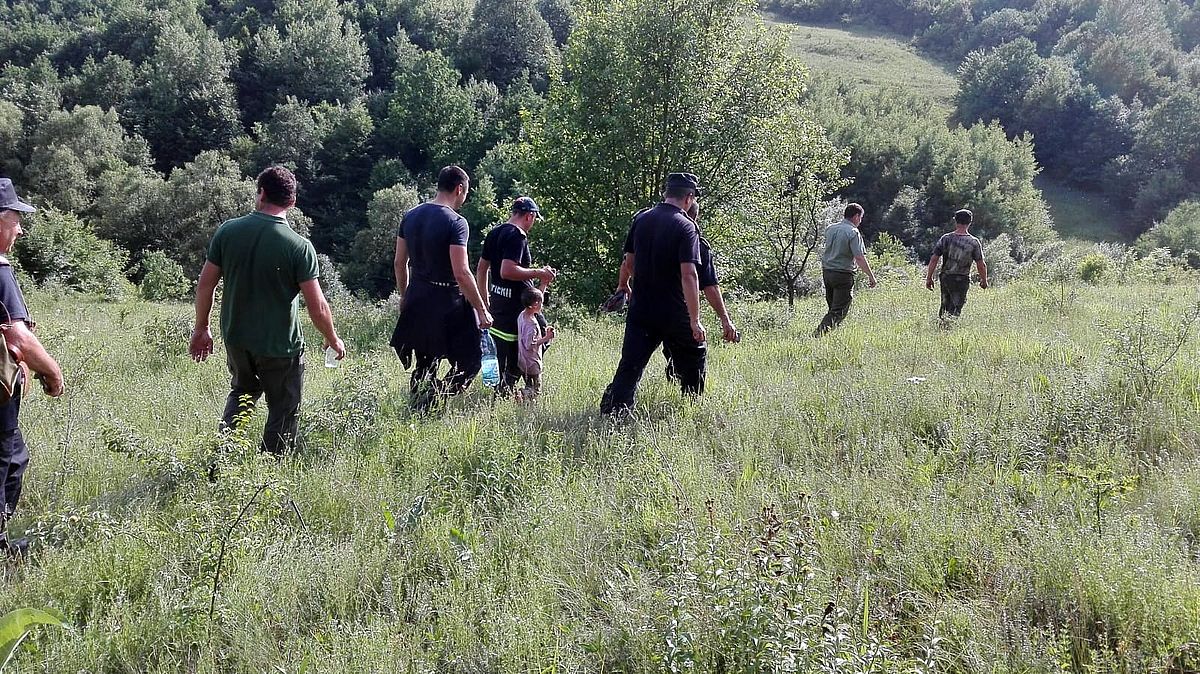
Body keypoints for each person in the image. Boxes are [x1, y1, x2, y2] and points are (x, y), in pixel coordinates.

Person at [190, 166, 345, 456]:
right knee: (283, 409)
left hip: (236, 338)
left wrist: (202, 328)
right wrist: (332, 338)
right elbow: (317, 306)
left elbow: (205, 285)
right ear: (292, 202)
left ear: (261, 193)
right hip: (280, 347)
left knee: (242, 393)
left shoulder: (228, 231)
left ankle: (221, 460)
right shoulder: (299, 246)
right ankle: (268, 471)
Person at [600, 172, 706, 415]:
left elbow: (628, 261)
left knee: (631, 364)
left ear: (666, 193)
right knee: (694, 354)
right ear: (688, 198)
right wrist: (695, 320)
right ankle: (692, 408)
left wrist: (630, 284)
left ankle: (615, 413)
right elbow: (689, 275)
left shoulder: (641, 218)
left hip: (641, 308)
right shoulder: (686, 226)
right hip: (673, 310)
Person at [390, 166, 493, 411]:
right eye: (466, 192)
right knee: (472, 359)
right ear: (459, 189)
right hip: (447, 300)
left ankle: (418, 408)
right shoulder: (456, 222)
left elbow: (399, 263)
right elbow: (461, 272)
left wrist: (404, 295)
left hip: (417, 296)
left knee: (426, 360)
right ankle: (434, 399)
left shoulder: (410, 216)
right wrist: (481, 310)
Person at [0, 178, 64, 557]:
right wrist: (52, 372)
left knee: (14, 457)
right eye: (16, 220)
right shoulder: (0, 271)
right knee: (5, 462)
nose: (20, 230)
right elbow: (20, 338)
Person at [475, 196, 556, 396]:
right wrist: (539, 273)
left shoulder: (495, 232)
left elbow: (481, 269)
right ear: (529, 216)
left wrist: (485, 301)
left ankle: (505, 389)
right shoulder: (517, 236)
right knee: (540, 338)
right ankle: (525, 389)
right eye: (534, 218)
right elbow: (507, 271)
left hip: (498, 306)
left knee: (504, 352)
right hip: (518, 309)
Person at [663, 200, 738, 381]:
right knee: (696, 353)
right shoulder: (698, 246)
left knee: (637, 360)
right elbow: (710, 287)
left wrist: (624, 286)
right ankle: (692, 394)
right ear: (695, 217)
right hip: (680, 310)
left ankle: (620, 394)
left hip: (648, 306)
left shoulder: (657, 238)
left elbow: (629, 262)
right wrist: (725, 319)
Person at [814, 203, 877, 336]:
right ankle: (817, 335)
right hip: (842, 274)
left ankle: (828, 336)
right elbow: (859, 257)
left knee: (832, 308)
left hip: (827, 272)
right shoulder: (853, 232)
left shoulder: (830, 228)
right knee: (838, 311)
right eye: (860, 218)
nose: (860, 221)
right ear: (856, 216)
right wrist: (871, 276)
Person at [926, 209, 988, 318]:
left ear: (955, 221)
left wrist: (929, 278)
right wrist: (984, 280)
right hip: (962, 279)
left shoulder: (945, 238)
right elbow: (981, 264)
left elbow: (934, 259)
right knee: (956, 307)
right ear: (970, 222)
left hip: (946, 277)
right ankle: (949, 325)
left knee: (945, 305)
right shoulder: (973, 242)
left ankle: (943, 324)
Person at [516, 287, 555, 401]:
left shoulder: (522, 315)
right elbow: (530, 344)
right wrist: (546, 338)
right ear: (535, 305)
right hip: (532, 363)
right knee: (536, 390)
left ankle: (525, 401)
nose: (542, 306)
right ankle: (521, 394)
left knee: (529, 385)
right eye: (541, 303)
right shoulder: (531, 324)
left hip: (523, 360)